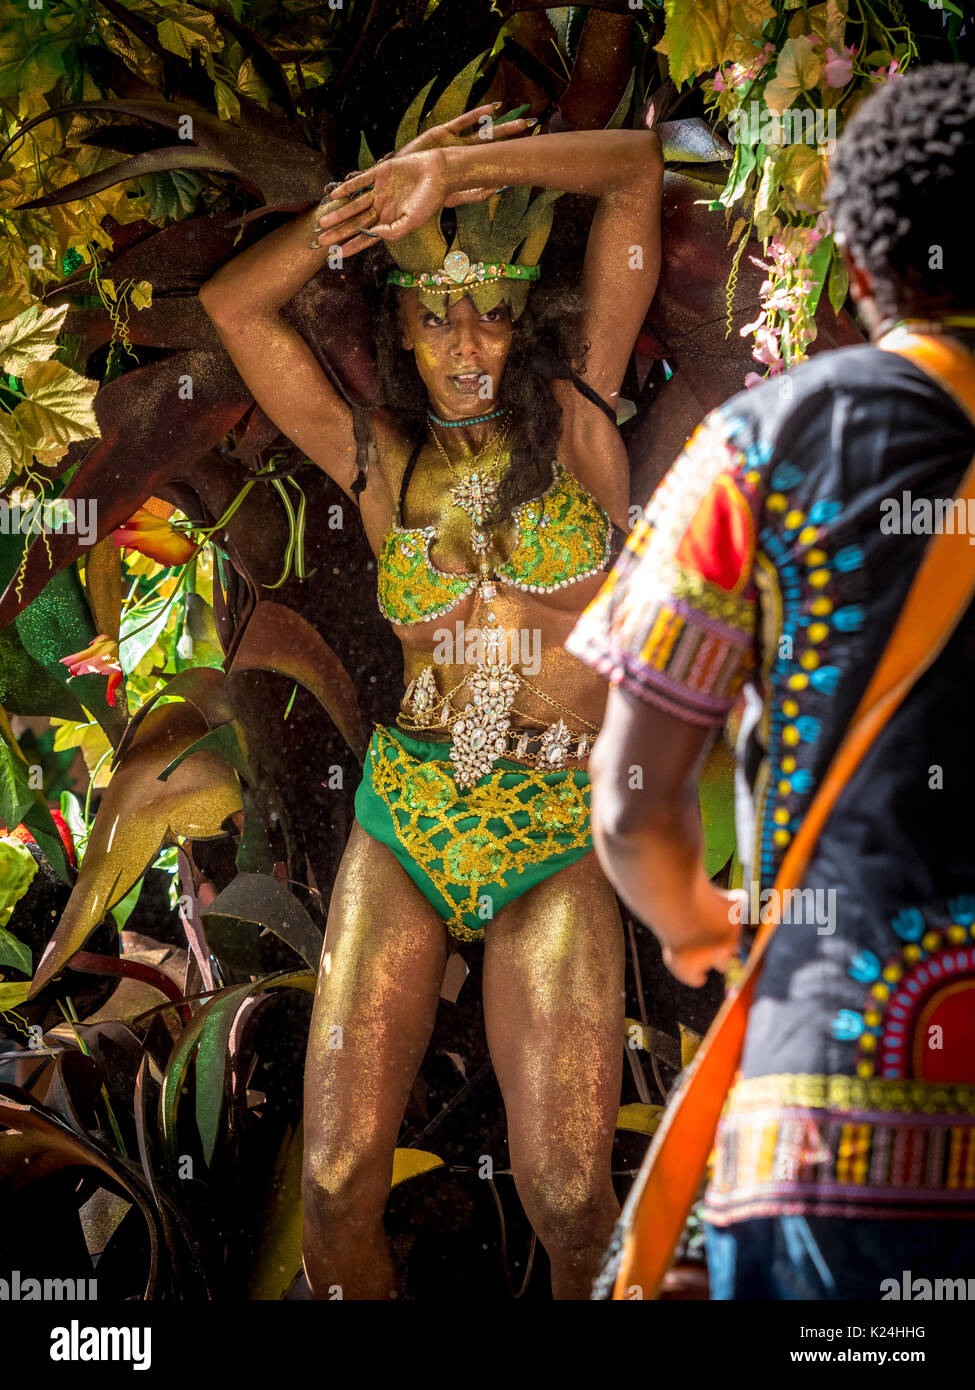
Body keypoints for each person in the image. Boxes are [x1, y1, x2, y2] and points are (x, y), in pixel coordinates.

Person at [199, 73, 663, 1299]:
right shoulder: (375, 457)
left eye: (496, 314)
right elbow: (235, 305)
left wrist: (454, 181)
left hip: (552, 826)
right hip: (407, 817)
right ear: (399, 323)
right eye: (441, 315)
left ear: (526, 321)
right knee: (337, 1192)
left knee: (572, 1204)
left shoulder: (580, 419)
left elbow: (634, 175)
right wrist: (358, 209)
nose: (469, 347)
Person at [567, 63, 975, 1299]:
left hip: (833, 1138)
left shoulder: (766, 442)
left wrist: (695, 915)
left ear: (853, 266)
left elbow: (632, 796)